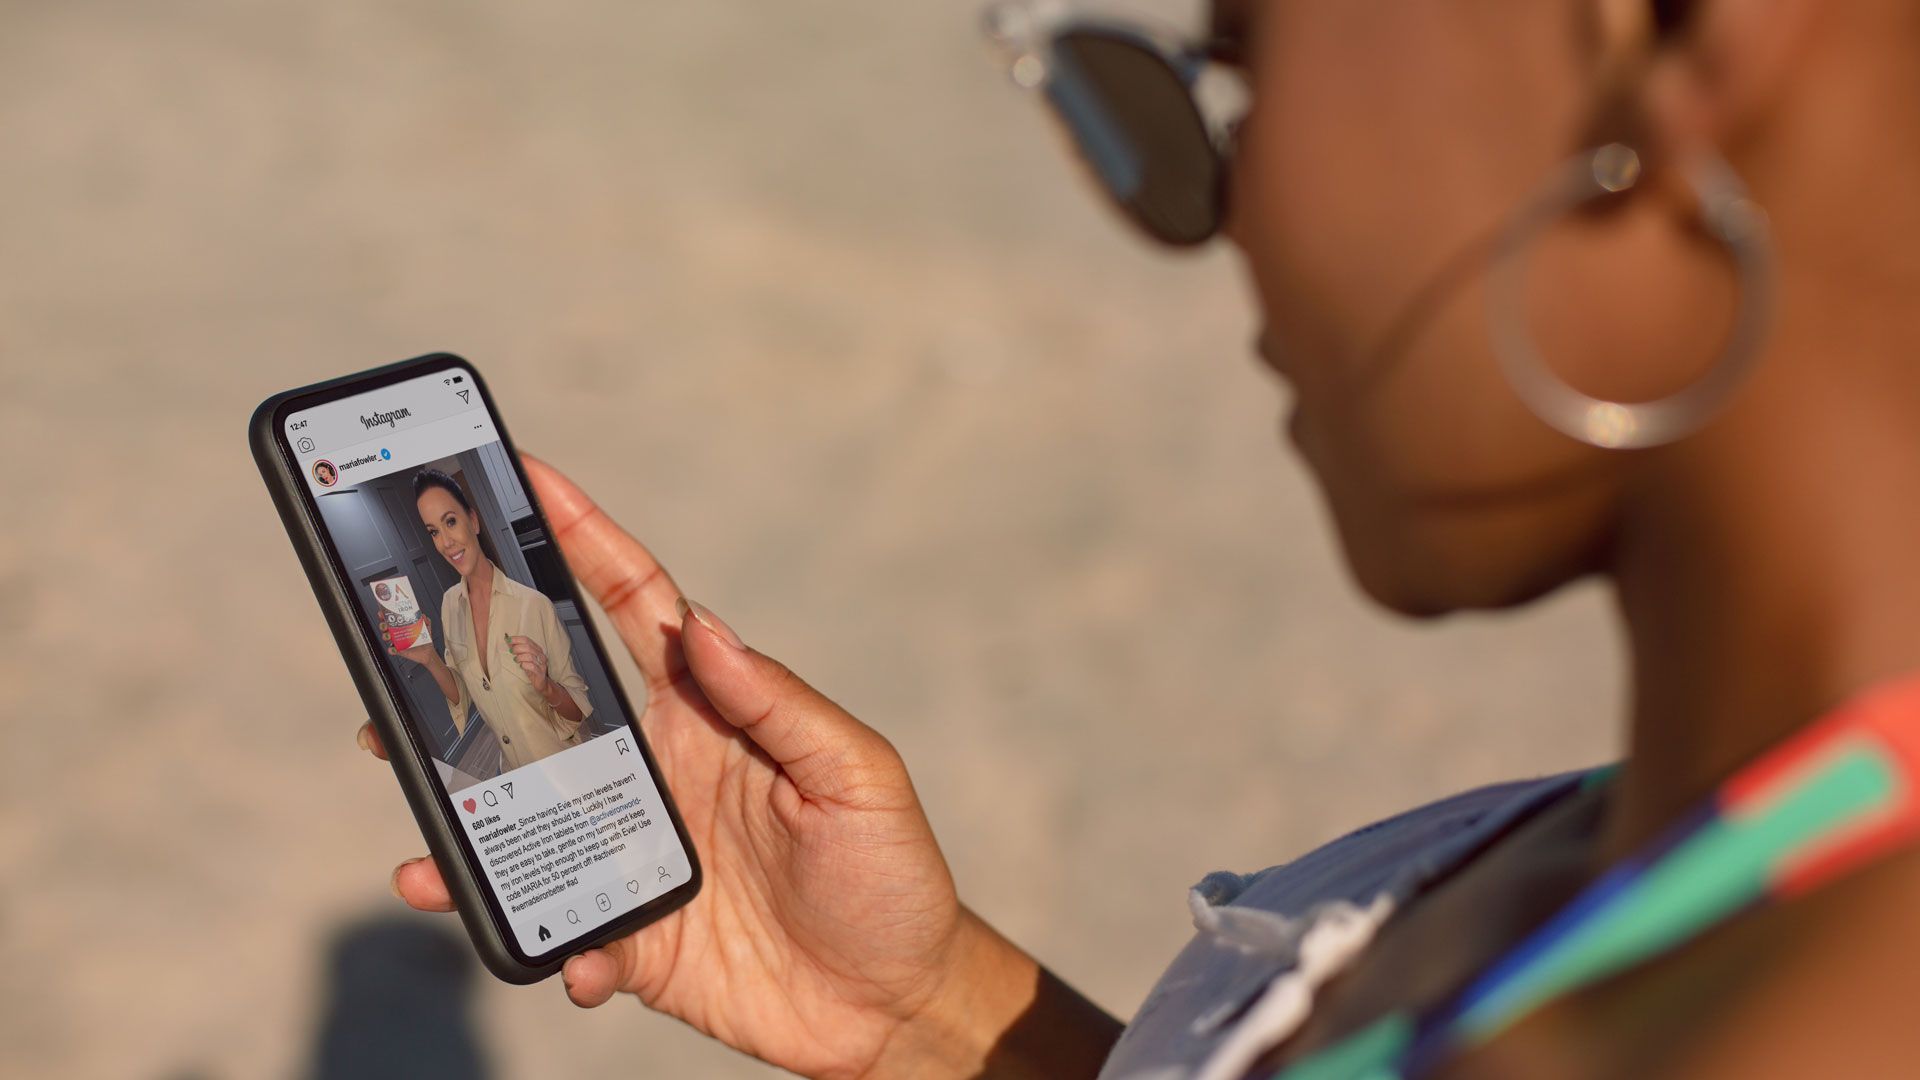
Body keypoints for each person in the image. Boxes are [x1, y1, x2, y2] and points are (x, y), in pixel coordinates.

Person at [357, 0, 1920, 1075]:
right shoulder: (1733, 846)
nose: (1206, 213)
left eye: (1241, 56)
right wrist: (934, 1018)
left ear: (1675, 33)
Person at [390, 468, 592, 773]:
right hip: (512, 770)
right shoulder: (449, 605)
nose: (445, 542)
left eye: (451, 522)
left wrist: (546, 686)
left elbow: (578, 712)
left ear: (473, 520)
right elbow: (462, 692)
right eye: (433, 531)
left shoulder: (535, 606)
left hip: (565, 766)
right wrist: (429, 659)